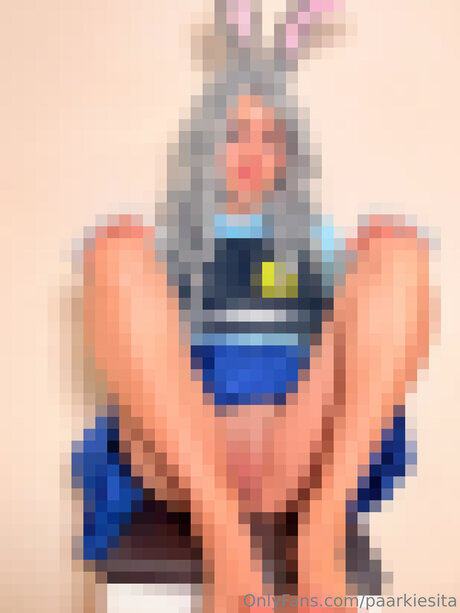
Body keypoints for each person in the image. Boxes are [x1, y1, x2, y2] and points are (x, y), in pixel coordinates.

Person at [73, 2, 433, 611]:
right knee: (110, 245)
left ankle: (320, 533)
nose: (252, 149)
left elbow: (378, 333)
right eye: (234, 131)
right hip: (190, 463)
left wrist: (369, 265)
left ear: (293, 155)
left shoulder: (320, 247)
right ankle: (226, 541)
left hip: (301, 456)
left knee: (401, 245)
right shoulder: (163, 248)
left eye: (271, 136)